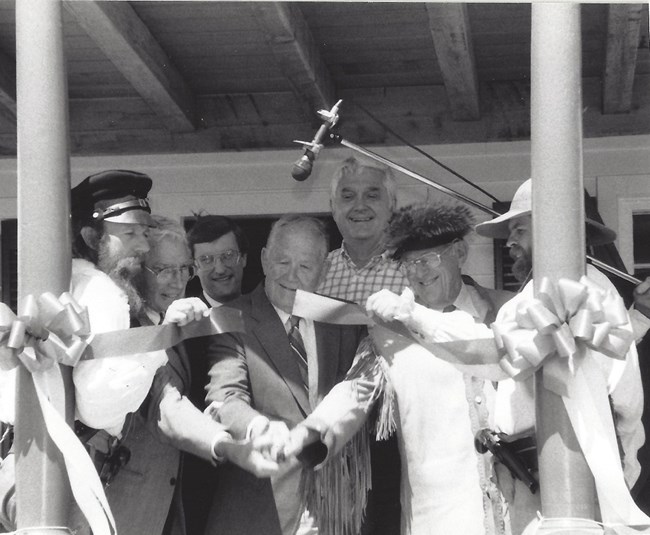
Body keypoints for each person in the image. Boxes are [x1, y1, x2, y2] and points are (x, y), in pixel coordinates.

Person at [383, 178, 642, 535]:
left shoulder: (564, 294)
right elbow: (628, 412)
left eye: (519, 228)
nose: (510, 243)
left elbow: (492, 353)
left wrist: (411, 315)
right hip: (550, 485)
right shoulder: (588, 288)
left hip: (565, 488)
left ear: (554, 229)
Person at [284, 203, 514, 535]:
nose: (419, 273)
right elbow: (356, 390)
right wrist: (316, 429)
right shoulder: (390, 330)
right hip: (436, 518)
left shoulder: (507, 311)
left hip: (519, 512)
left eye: (428, 259)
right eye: (409, 264)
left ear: (460, 252)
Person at [69, 215, 278, 535]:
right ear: (138, 268)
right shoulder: (128, 327)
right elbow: (165, 405)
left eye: (184, 268)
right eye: (163, 269)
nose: (176, 280)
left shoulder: (179, 322)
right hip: (125, 507)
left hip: (174, 507)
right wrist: (227, 446)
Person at [202, 215, 364, 535]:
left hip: (334, 511)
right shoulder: (229, 317)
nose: (292, 275)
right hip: (263, 512)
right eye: (282, 261)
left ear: (324, 270)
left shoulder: (344, 319)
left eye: (305, 266)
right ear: (263, 259)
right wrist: (258, 426)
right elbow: (225, 396)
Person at [318, 155, 406, 535]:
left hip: (393, 431)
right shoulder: (314, 272)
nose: (360, 206)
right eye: (348, 196)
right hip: (327, 425)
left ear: (393, 206)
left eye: (373, 195)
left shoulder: (414, 270)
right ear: (333, 208)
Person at [183, 214, 250, 534]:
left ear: (245, 258)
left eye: (228, 256)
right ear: (194, 267)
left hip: (260, 475)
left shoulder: (264, 311)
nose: (219, 268)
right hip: (201, 476)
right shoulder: (180, 323)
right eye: (206, 259)